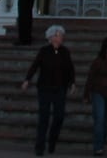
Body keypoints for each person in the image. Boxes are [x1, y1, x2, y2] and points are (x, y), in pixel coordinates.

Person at [20, 24, 75, 156]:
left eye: (62, 35)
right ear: (52, 38)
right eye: (59, 35)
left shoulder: (65, 52)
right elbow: (35, 65)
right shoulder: (44, 51)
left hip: (60, 88)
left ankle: (52, 140)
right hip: (44, 88)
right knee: (43, 117)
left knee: (59, 116)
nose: (61, 38)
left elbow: (70, 69)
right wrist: (27, 79)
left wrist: (72, 83)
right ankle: (40, 146)